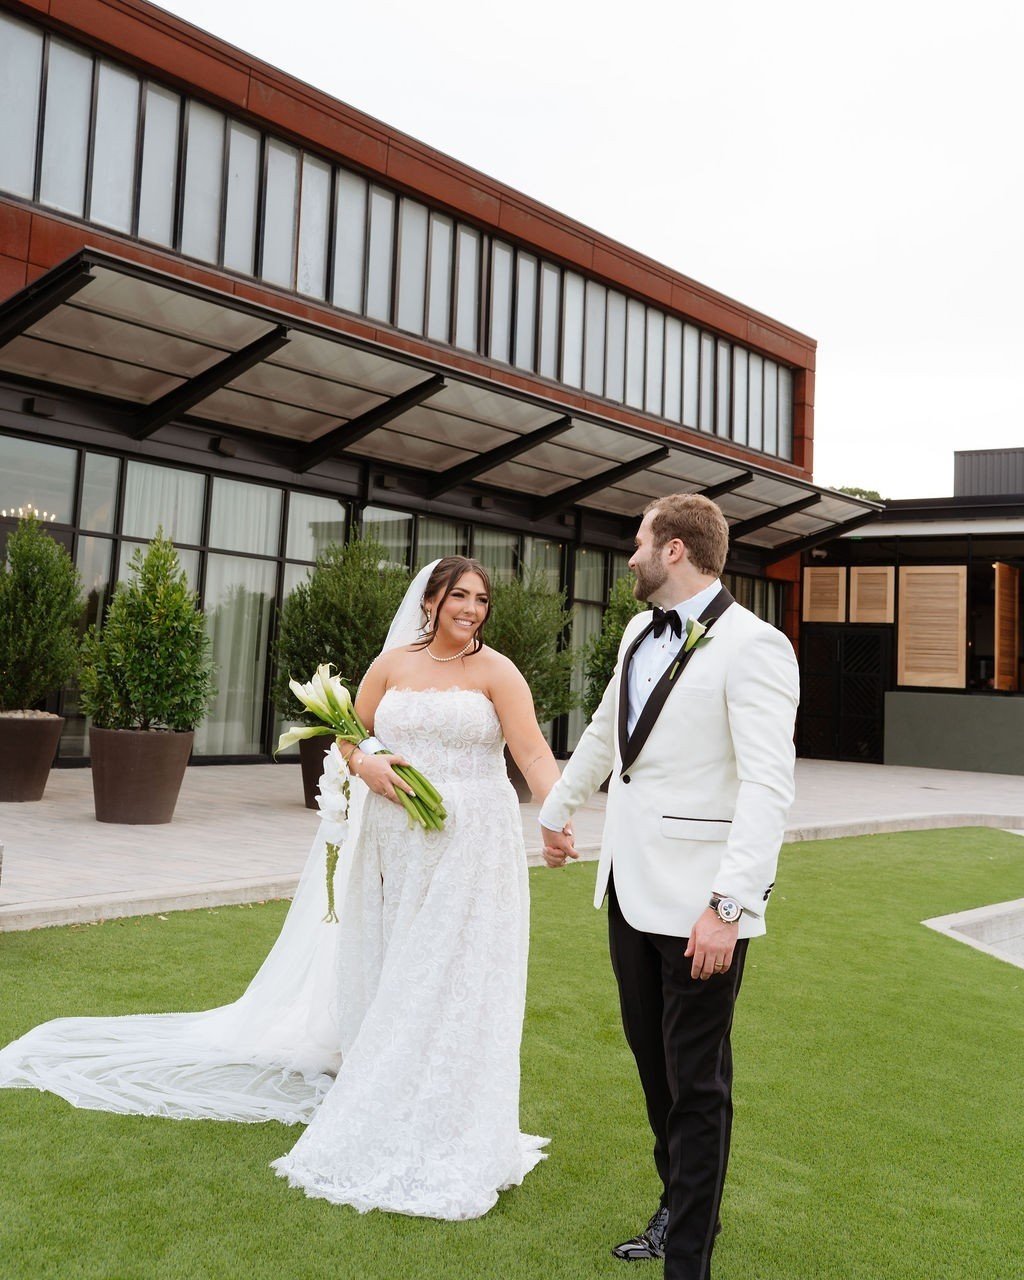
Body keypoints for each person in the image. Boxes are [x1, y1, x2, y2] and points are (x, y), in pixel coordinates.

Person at [0, 556, 562, 1221]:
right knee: (397, 965)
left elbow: (529, 753)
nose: (472, 608)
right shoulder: (392, 666)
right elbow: (351, 738)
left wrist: (555, 817)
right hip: (394, 839)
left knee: (451, 972)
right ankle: (388, 1091)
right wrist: (372, 765)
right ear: (431, 601)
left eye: (482, 599)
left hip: (471, 841)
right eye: (459, 596)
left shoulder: (499, 672)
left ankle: (452, 1116)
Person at [540, 494, 799, 1280]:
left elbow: (767, 785)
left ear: (676, 550)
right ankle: (680, 1204)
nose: (630, 554)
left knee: (697, 1085)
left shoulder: (756, 647)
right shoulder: (634, 631)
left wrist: (730, 907)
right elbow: (602, 730)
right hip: (628, 891)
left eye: (639, 540)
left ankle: (686, 1260)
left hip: (701, 910)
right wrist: (558, 808)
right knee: (656, 1071)